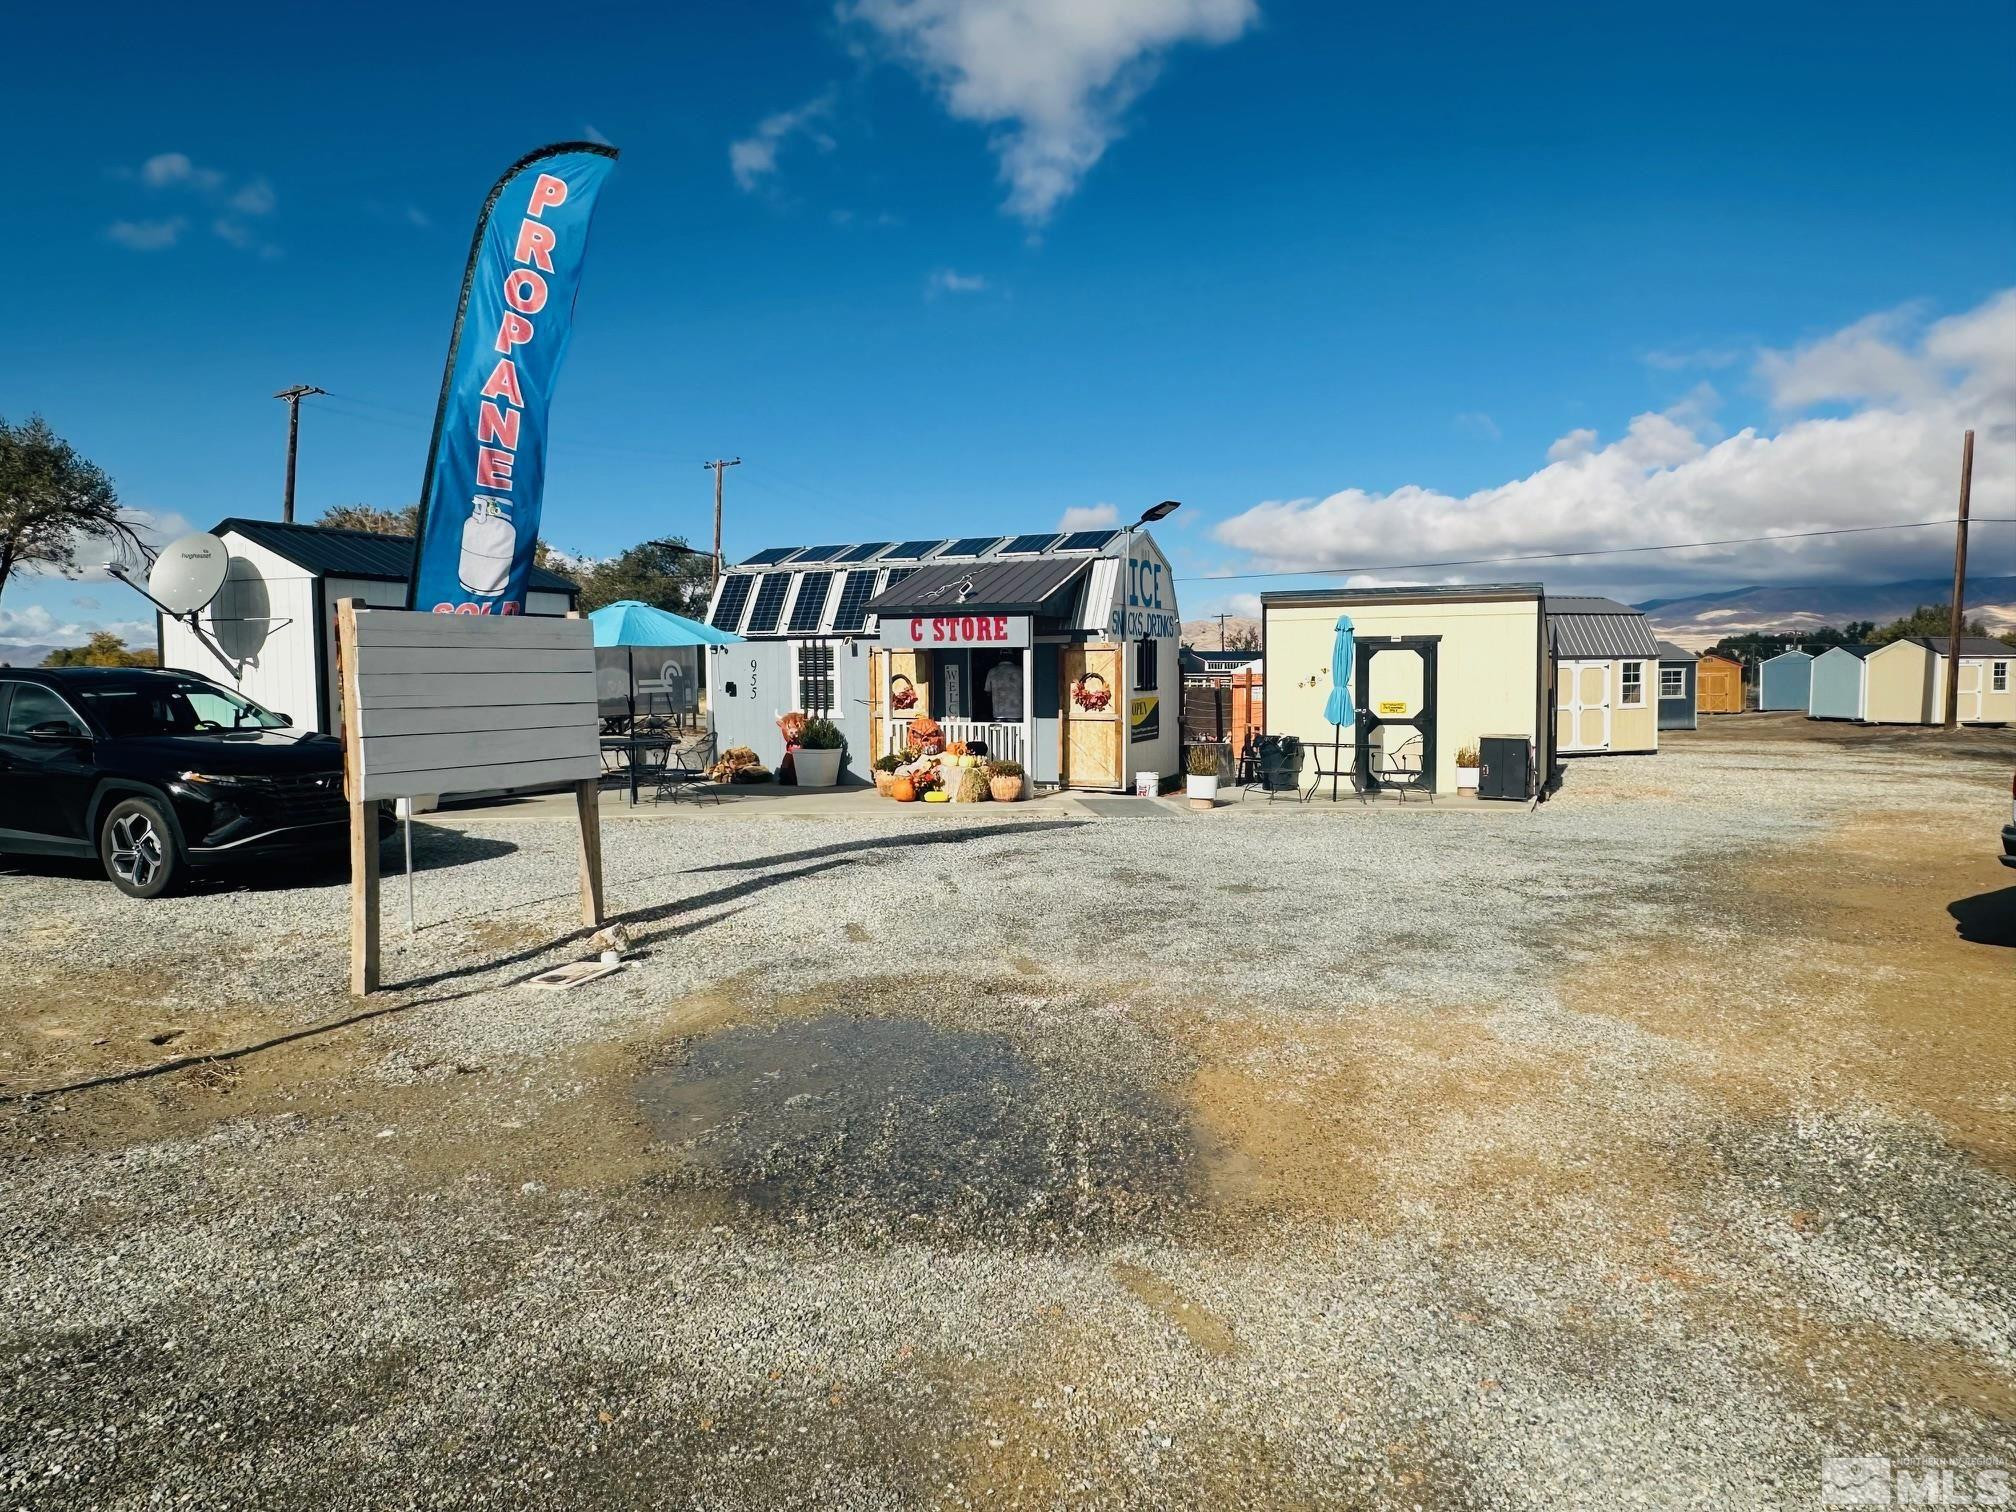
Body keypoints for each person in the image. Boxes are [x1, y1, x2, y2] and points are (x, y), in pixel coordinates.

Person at [983, 656, 1022, 721]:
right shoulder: (1020, 670)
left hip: (999, 712)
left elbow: (987, 690)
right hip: (1017, 712)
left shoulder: (992, 671)